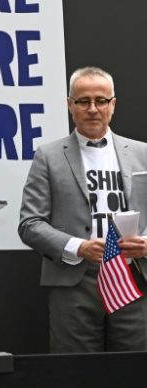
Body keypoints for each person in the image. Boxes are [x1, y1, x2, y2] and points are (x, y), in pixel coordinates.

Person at [19, 66, 147, 353]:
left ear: (113, 104)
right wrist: (79, 247)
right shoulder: (48, 156)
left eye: (101, 100)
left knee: (137, 370)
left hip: (133, 277)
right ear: (69, 105)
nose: (92, 109)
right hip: (74, 281)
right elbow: (30, 223)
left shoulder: (143, 154)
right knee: (75, 373)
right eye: (83, 101)